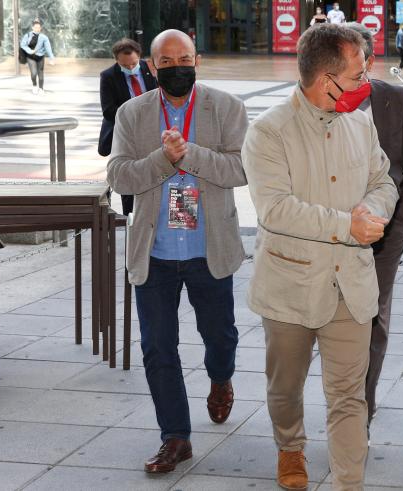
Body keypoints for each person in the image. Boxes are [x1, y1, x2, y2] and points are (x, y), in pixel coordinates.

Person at [242, 23, 398, 490]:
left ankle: (349, 482)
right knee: (285, 389)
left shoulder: (361, 120)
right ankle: (290, 447)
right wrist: (345, 226)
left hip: (350, 286)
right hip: (289, 288)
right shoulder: (268, 132)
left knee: (349, 396)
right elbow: (276, 209)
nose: (365, 83)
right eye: (356, 75)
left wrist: (373, 210)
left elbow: (384, 181)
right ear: (325, 79)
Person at [106, 29, 249, 475]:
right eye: (165, 62)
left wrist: (189, 156)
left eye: (183, 58)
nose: (176, 67)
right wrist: (163, 161)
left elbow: (241, 168)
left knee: (220, 335)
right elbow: (119, 176)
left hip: (210, 249)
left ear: (197, 60)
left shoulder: (226, 107)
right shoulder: (132, 114)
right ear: (152, 67)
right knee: (157, 348)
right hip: (155, 252)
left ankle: (221, 378)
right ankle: (175, 437)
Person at [343, 22, 403, 429]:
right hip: (330, 233)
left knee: (373, 318)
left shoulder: (394, 98)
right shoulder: (319, 99)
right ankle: (342, 396)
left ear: (371, 60)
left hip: (385, 235)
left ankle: (362, 407)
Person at [98, 38, 158, 215]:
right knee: (129, 176)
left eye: (133, 63)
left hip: (151, 131)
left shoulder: (150, 69)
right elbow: (108, 111)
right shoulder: (108, 76)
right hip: (126, 134)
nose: (131, 68)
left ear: (139, 56)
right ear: (117, 60)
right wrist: (133, 117)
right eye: (125, 65)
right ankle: (130, 216)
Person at [19, 19, 55, 95]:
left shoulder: (44, 37)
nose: (37, 29)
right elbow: (23, 45)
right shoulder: (28, 35)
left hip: (40, 57)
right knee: (34, 73)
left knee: (40, 73)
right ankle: (34, 85)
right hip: (31, 56)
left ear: (40, 28)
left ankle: (41, 88)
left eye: (38, 27)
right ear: (32, 27)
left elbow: (48, 48)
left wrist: (51, 58)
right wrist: (30, 51)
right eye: (35, 27)